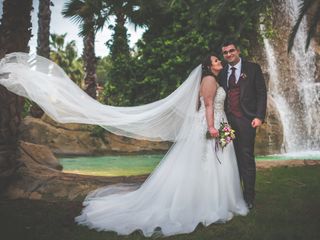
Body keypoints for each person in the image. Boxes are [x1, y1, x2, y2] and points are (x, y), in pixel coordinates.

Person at [0, 52, 248, 237]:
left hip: (213, 124)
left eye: (219, 61)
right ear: (208, 65)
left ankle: (213, 201)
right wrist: (213, 128)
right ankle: (205, 204)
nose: (219, 63)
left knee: (206, 167)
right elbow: (206, 106)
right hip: (208, 126)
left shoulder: (213, 80)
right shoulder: (209, 80)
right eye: (216, 60)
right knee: (205, 166)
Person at [219, 40, 267, 209]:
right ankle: (234, 195)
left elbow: (261, 93)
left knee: (246, 158)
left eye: (231, 51)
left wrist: (259, 116)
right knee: (230, 160)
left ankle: (249, 197)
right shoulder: (222, 72)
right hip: (226, 122)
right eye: (225, 52)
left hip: (247, 120)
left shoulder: (253, 68)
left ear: (238, 51)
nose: (229, 54)